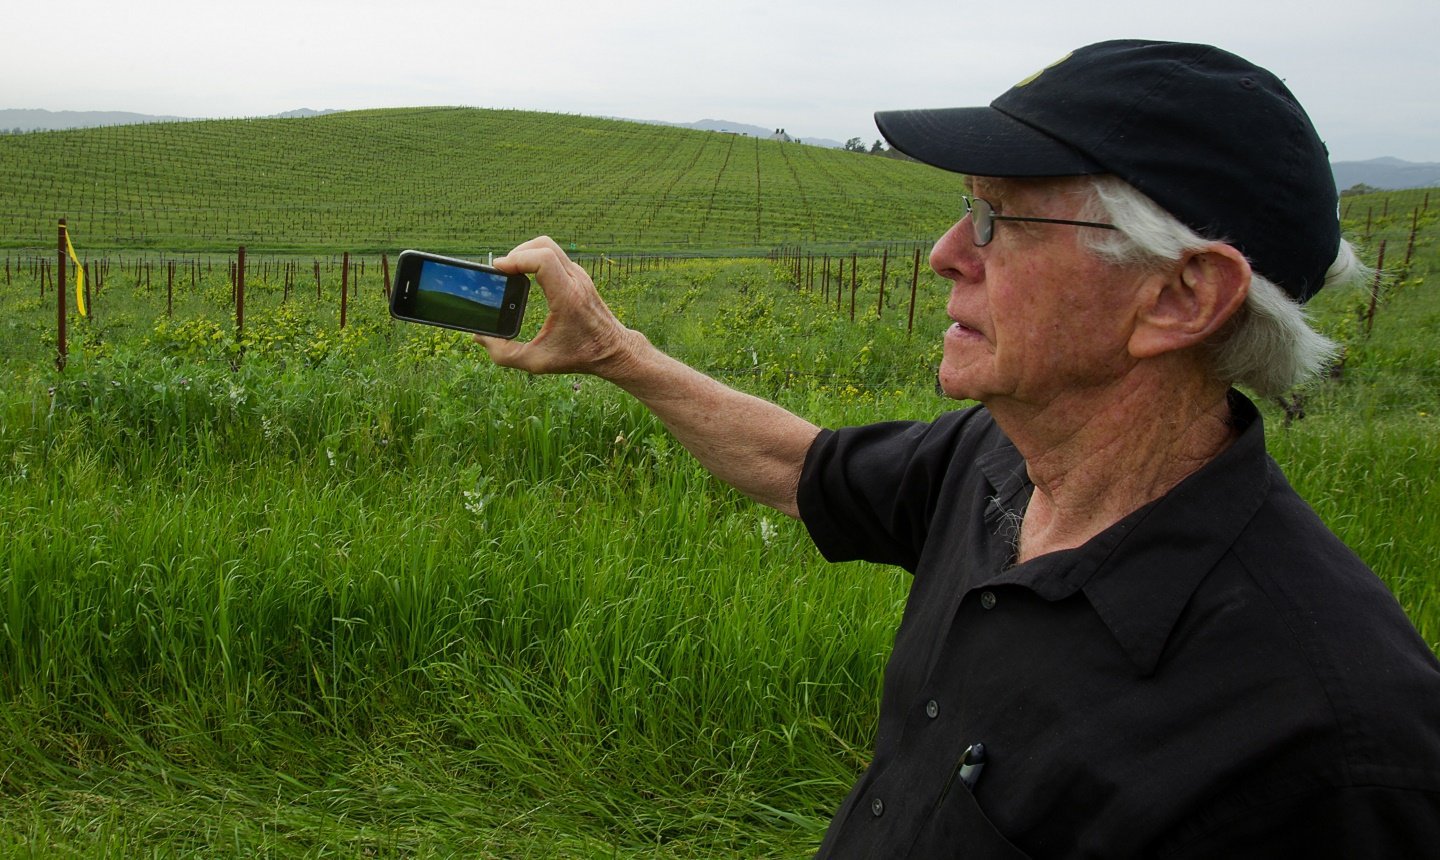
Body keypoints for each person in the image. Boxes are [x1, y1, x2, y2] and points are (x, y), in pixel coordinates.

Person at [476, 40, 1440, 858]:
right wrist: (615, 352)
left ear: (1181, 297)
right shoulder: (994, 458)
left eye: (996, 216)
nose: (945, 250)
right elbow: (803, 469)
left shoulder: (1329, 746)